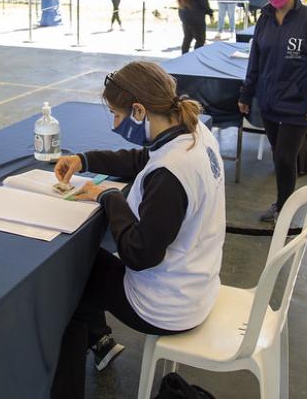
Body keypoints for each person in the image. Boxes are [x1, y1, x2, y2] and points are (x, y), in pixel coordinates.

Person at [50, 61, 226, 399]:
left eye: (117, 115)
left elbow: (139, 254)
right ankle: (100, 341)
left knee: (68, 290)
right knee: (90, 263)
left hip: (167, 305)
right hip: (197, 280)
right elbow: (142, 160)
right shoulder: (192, 132)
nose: (114, 124)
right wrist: (85, 161)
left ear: (139, 110)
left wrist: (108, 196)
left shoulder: (171, 174)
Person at [238, 0, 307, 224]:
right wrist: (246, 95)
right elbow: (255, 59)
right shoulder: (265, 17)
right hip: (268, 100)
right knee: (277, 153)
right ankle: (283, 201)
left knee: (284, 156)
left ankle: (284, 207)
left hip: (298, 104)